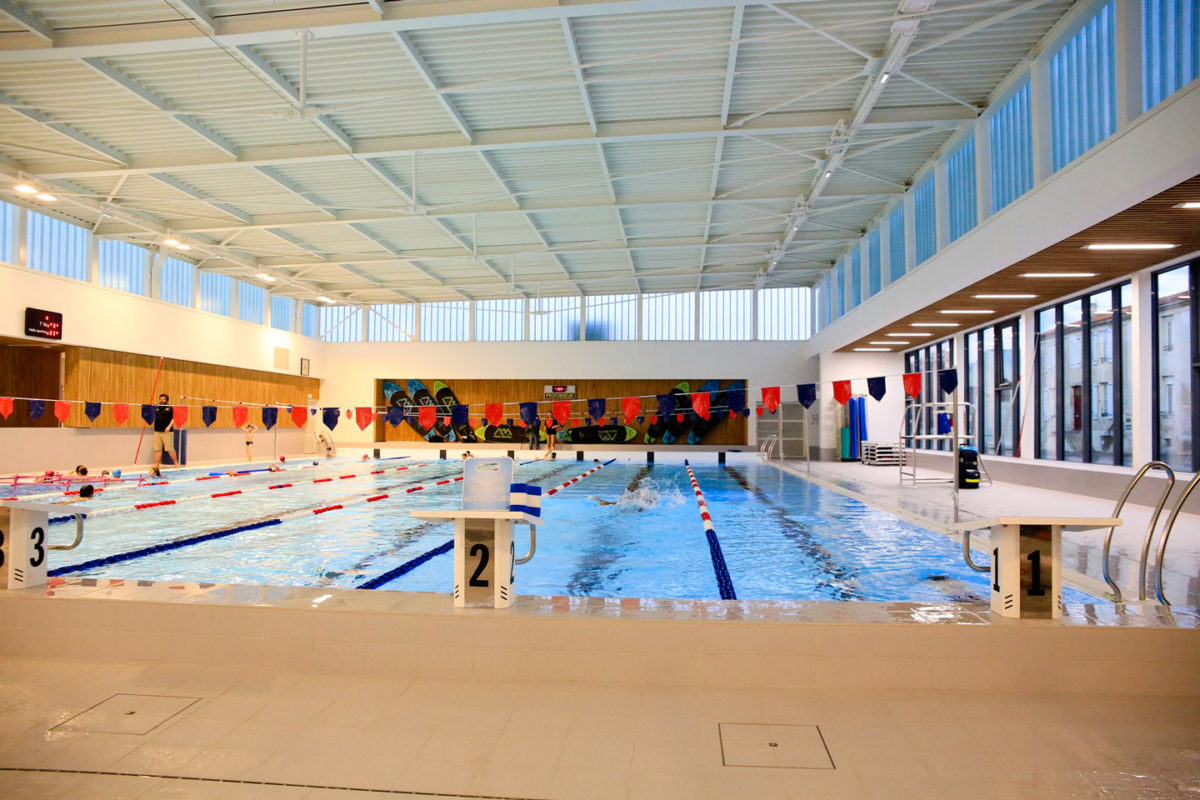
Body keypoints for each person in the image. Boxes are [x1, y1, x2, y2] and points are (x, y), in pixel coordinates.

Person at [151, 394, 177, 477]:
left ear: (167, 400)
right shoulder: (157, 408)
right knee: (157, 449)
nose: (161, 400)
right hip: (157, 431)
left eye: (163, 399)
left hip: (167, 432)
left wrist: (169, 427)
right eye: (160, 399)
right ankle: (156, 465)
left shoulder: (170, 408)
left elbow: (174, 418)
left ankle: (176, 463)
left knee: (169, 448)